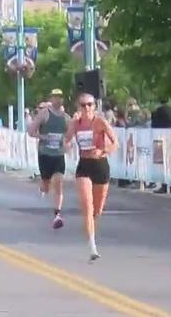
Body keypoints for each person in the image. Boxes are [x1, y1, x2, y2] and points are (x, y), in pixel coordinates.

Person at [66, 92, 116, 261]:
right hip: (84, 166)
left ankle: (92, 229)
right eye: (83, 105)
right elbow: (66, 140)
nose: (86, 108)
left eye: (89, 104)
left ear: (95, 106)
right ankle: (92, 247)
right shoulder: (75, 123)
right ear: (78, 107)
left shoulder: (100, 122)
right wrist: (66, 145)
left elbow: (115, 143)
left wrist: (103, 150)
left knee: (97, 210)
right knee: (87, 207)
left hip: (100, 165)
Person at [28, 89, 69, 230]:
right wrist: (44, 137)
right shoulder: (44, 114)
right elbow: (31, 131)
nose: (58, 100)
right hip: (45, 153)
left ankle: (57, 214)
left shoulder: (66, 118)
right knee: (46, 185)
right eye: (55, 97)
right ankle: (43, 187)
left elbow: (69, 135)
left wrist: (66, 143)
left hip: (58, 155)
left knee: (58, 183)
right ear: (51, 98)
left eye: (60, 97)